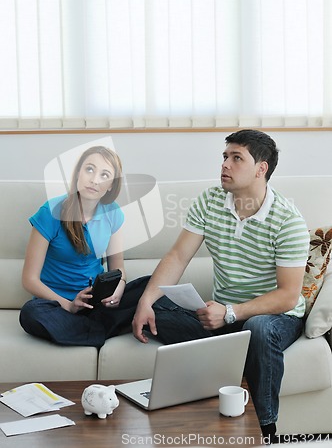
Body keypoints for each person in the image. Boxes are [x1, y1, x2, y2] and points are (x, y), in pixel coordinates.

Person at [132, 129, 310, 444]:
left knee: (258, 328)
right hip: (225, 317)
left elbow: (288, 296)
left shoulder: (288, 221)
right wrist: (146, 302)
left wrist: (230, 312)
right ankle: (230, 347)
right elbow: (176, 257)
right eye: (225, 157)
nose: (225, 164)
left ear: (261, 168)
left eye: (236, 157)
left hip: (275, 317)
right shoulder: (210, 200)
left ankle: (265, 430)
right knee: (149, 294)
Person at [20, 146, 149, 347]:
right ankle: (100, 331)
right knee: (30, 313)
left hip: (96, 302)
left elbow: (119, 270)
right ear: (78, 173)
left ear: (110, 186)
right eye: (89, 169)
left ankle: (84, 330)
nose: (95, 179)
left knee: (150, 286)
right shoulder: (50, 211)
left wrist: (119, 290)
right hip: (57, 305)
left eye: (104, 175)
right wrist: (69, 306)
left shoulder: (113, 213)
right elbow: (29, 280)